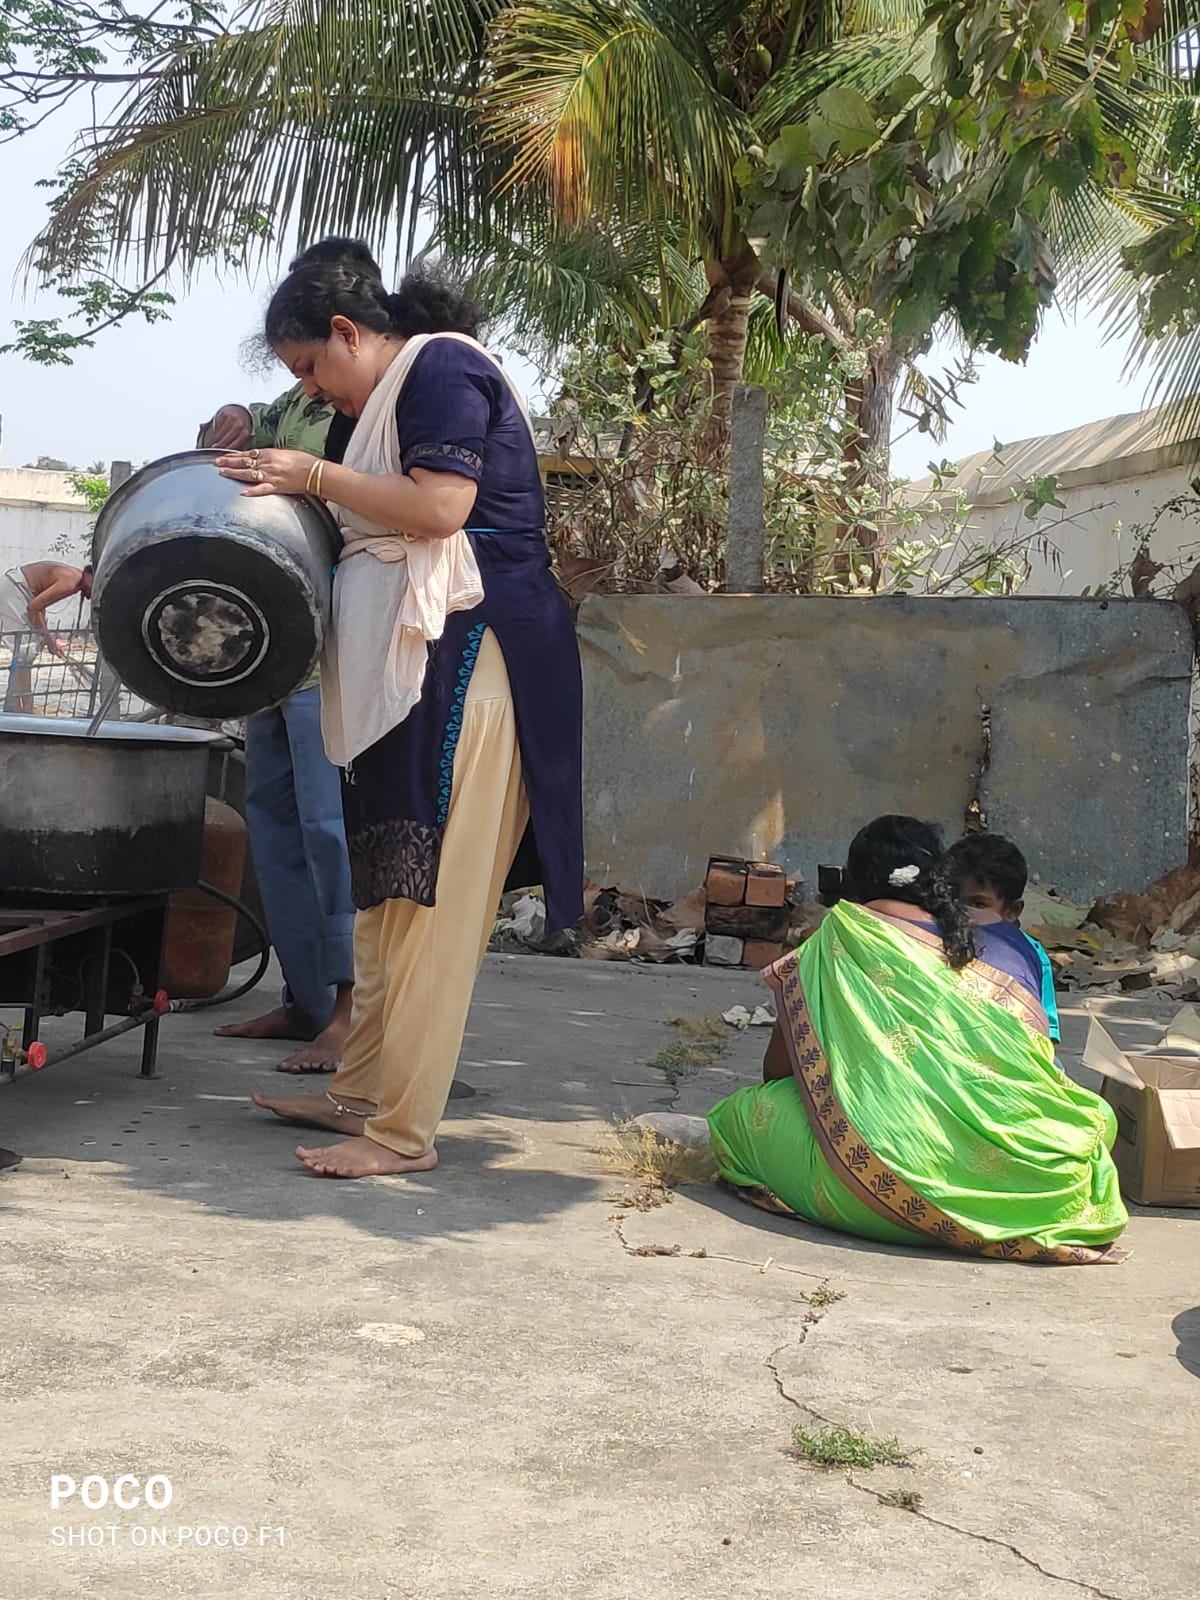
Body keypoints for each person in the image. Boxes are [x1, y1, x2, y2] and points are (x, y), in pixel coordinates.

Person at [217, 251, 583, 1178]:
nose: (313, 389)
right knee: (389, 888)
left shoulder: (445, 369)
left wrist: (313, 477)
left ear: (348, 332)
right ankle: (362, 1093)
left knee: (438, 898)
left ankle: (403, 1131)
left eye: (309, 367)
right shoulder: (380, 402)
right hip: (415, 658)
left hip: (478, 651)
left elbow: (440, 506)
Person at [706, 816, 1128, 1264]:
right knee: (1095, 1117)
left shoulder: (835, 938)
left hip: (876, 1193)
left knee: (738, 1117)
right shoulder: (1011, 945)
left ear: (852, 884)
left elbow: (778, 1072)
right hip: (1045, 1192)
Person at [199, 241, 377, 1074]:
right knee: (275, 826)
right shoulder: (291, 401)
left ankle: (348, 1009)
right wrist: (223, 430)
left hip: (335, 642)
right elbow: (235, 478)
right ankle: (305, 1000)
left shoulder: (378, 400)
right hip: (269, 650)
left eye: (310, 358)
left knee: (331, 829)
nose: (309, 378)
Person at [945, 831, 1061, 1046]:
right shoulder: (935, 938)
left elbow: (1043, 1038)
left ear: (1012, 911)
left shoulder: (1030, 956)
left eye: (978, 904)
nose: (961, 913)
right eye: (951, 900)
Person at [0, 560, 93, 712]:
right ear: (90, 577)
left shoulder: (75, 579)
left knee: (28, 652)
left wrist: (44, 635)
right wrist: (49, 639)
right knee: (25, 651)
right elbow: (34, 608)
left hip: (21, 589)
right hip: (13, 590)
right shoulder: (71, 583)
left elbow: (39, 605)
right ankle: (17, 706)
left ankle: (23, 704)